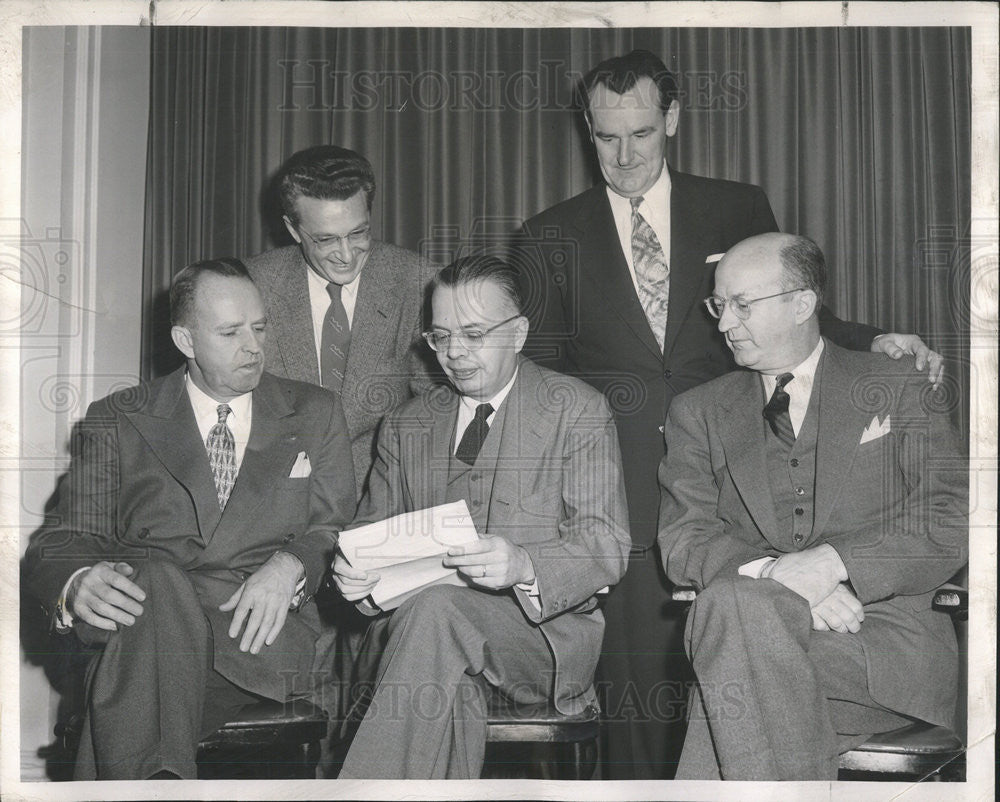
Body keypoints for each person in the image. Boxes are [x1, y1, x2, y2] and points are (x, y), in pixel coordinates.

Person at [512, 48, 945, 778]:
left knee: (734, 662)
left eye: (642, 134)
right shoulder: (547, 234)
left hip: (735, 480)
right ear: (587, 127)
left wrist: (875, 339)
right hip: (619, 490)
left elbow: (792, 307)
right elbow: (544, 379)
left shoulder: (735, 205)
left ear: (673, 120)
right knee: (640, 692)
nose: (623, 155)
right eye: (606, 136)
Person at [22, 259, 357, 780]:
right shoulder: (121, 416)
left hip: (252, 635)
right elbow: (60, 540)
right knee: (156, 586)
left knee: (126, 689)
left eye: (260, 327)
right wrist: (76, 582)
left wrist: (293, 562)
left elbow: (338, 528)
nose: (254, 347)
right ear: (185, 339)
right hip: (137, 627)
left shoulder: (315, 411)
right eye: (230, 332)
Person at [657, 233, 967, 780]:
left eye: (741, 305)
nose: (724, 323)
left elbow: (950, 516)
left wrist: (834, 564)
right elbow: (684, 540)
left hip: (878, 648)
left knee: (727, 655)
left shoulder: (897, 385)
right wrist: (780, 576)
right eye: (718, 305)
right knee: (739, 621)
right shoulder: (698, 412)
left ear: (802, 302)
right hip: (755, 640)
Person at [330, 256, 631, 779]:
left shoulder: (576, 410)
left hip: (539, 639)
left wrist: (523, 563)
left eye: (473, 334)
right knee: (445, 669)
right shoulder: (405, 425)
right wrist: (349, 569)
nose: (454, 354)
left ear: (517, 334)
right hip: (422, 642)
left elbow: (604, 544)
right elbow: (366, 532)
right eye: (440, 336)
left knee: (439, 611)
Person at [245, 144, 439, 498]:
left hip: (382, 496)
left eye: (358, 233)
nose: (346, 255)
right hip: (271, 499)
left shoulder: (418, 282)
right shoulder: (252, 284)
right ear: (292, 229)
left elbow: (437, 413)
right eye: (325, 239)